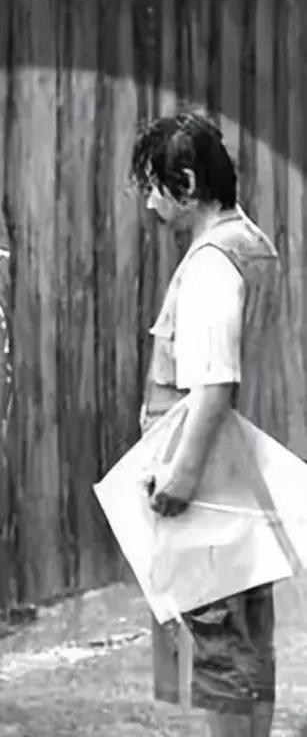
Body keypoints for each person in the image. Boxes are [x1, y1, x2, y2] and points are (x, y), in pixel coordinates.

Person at [133, 111, 283, 737]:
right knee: (249, 645)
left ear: (187, 184)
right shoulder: (253, 244)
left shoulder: (212, 263)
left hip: (208, 487)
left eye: (154, 186)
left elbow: (214, 384)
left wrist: (181, 477)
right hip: (244, 478)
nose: (150, 203)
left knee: (220, 652)